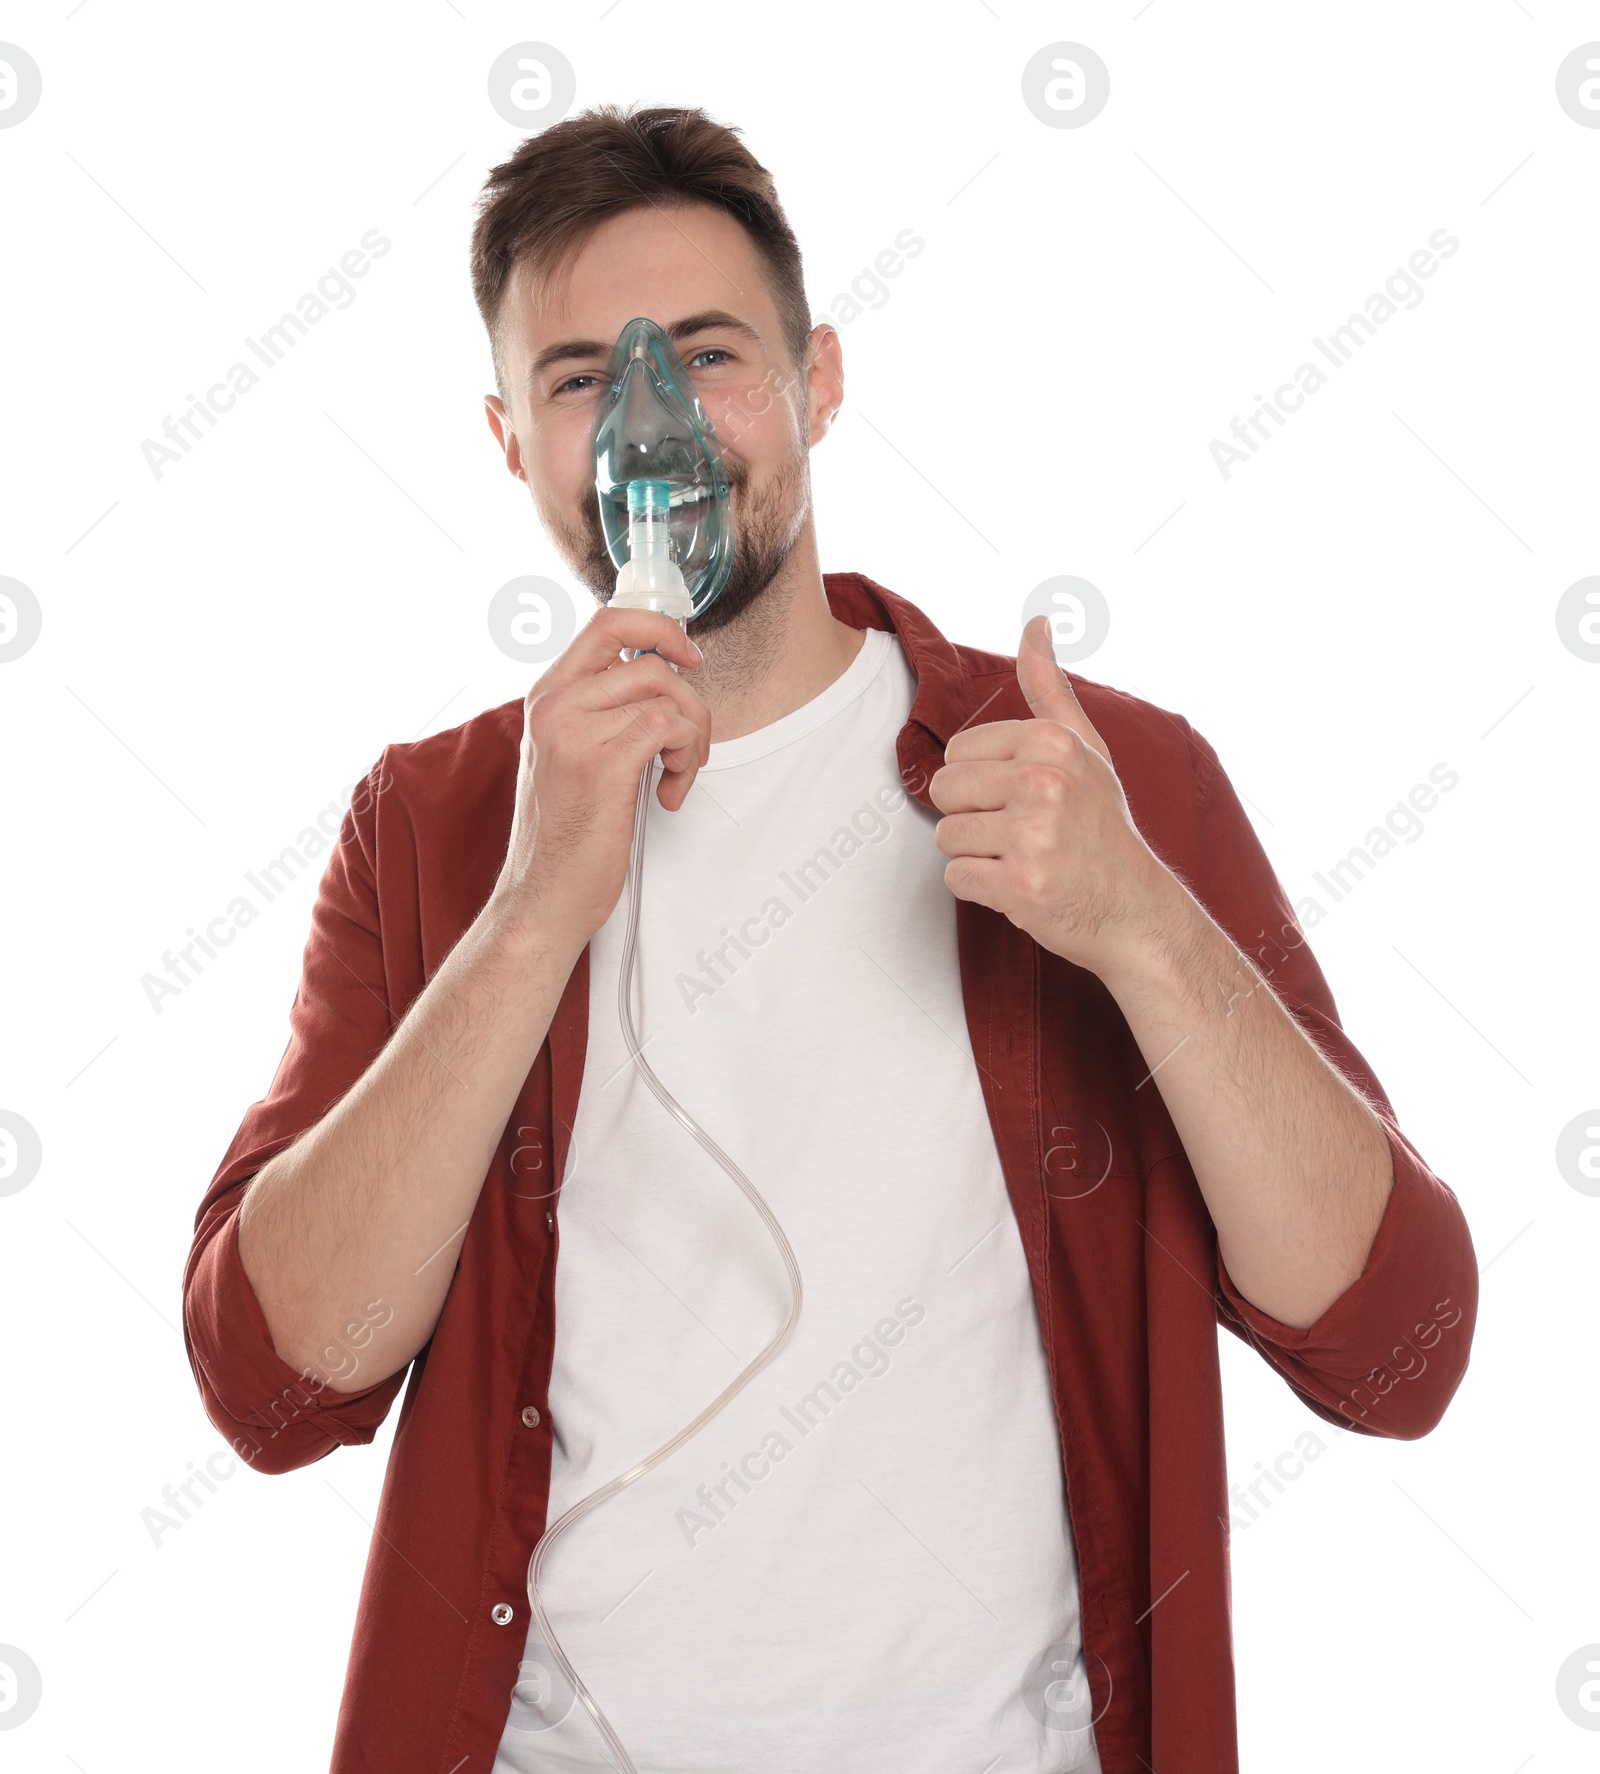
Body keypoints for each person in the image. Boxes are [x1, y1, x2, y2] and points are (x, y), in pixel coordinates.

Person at [181, 104, 1478, 1774]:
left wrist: (1140, 923)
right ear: (513, 443)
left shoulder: (1097, 776)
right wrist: (527, 921)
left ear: (822, 382)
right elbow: (275, 1393)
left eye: (708, 354)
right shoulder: (433, 826)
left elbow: (1401, 1350)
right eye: (581, 378)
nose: (652, 419)